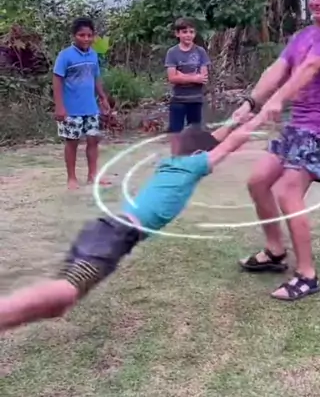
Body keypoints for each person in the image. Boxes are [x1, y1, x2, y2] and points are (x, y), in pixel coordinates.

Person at [0, 112, 267, 333]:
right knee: (65, 293)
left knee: (59, 303)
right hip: (116, 234)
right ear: (198, 154)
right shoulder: (192, 166)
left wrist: (234, 119)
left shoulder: (172, 164)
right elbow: (229, 144)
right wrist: (262, 116)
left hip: (109, 230)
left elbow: (213, 141)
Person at [231, 0, 320, 302]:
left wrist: (277, 101)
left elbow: (312, 68)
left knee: (288, 192)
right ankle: (275, 251)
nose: (316, 1)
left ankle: (307, 275)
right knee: (258, 181)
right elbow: (277, 69)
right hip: (298, 122)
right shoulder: (301, 36)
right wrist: (251, 102)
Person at [53, 17, 110, 190]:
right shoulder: (65, 56)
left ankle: (93, 175)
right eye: (81, 35)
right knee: (72, 142)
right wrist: (59, 107)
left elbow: (96, 77)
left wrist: (103, 97)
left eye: (89, 35)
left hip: (90, 108)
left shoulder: (93, 54)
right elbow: (57, 80)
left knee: (93, 140)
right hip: (71, 110)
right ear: (74, 36)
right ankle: (71, 178)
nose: (86, 39)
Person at [164, 18, 211, 153]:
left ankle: (194, 157)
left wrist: (182, 75)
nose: (188, 35)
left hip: (196, 99)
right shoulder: (172, 53)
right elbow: (172, 78)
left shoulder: (200, 52)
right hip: (178, 99)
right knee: (175, 132)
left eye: (191, 32)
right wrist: (193, 77)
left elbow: (203, 77)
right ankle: (175, 158)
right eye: (185, 32)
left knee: (195, 132)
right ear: (177, 34)